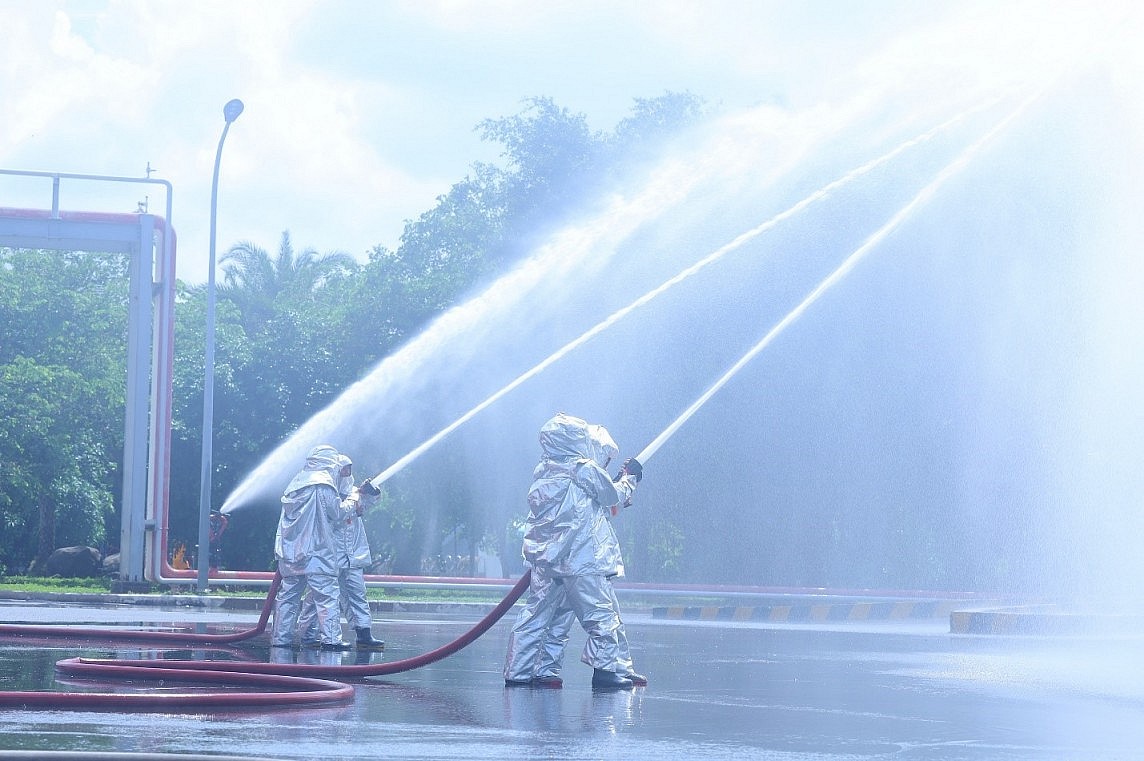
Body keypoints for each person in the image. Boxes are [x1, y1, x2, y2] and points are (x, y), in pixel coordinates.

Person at [503, 412, 646, 690]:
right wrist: (630, 479)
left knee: (542, 617)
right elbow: (611, 496)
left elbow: (588, 504)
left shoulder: (545, 470)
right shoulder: (582, 468)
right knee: (602, 614)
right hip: (581, 560)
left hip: (547, 562)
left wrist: (612, 480)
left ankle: (527, 671)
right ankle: (607, 671)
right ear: (574, 440)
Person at [270, 444, 354, 650]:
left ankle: (281, 639)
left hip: (290, 553)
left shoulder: (295, 484)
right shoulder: (323, 484)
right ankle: (331, 640)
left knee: (288, 597)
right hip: (317, 552)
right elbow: (336, 513)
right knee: (326, 596)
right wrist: (353, 500)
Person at [297, 454, 386, 650]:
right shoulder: (326, 493)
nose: (348, 473)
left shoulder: (355, 493)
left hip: (353, 554)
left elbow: (371, 502)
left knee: (357, 593)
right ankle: (308, 634)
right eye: (344, 469)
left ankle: (364, 633)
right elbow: (334, 515)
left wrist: (373, 491)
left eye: (350, 468)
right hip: (330, 555)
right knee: (318, 596)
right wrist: (353, 501)